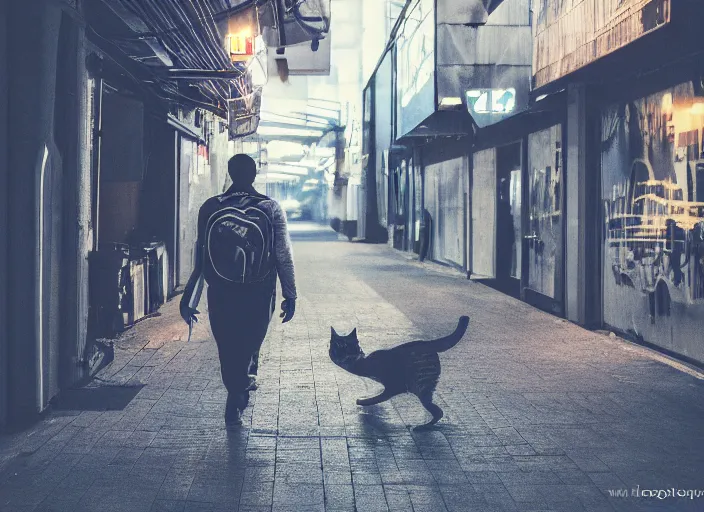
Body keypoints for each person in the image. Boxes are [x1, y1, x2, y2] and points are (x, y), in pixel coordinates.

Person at [179, 154, 297, 426]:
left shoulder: (210, 207)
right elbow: (283, 255)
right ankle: (241, 388)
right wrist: (290, 294)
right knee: (250, 342)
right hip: (260, 290)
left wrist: (189, 298)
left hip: (221, 290)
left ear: (230, 173)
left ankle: (236, 390)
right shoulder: (271, 208)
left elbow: (201, 256)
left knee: (227, 344)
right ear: (254, 175)